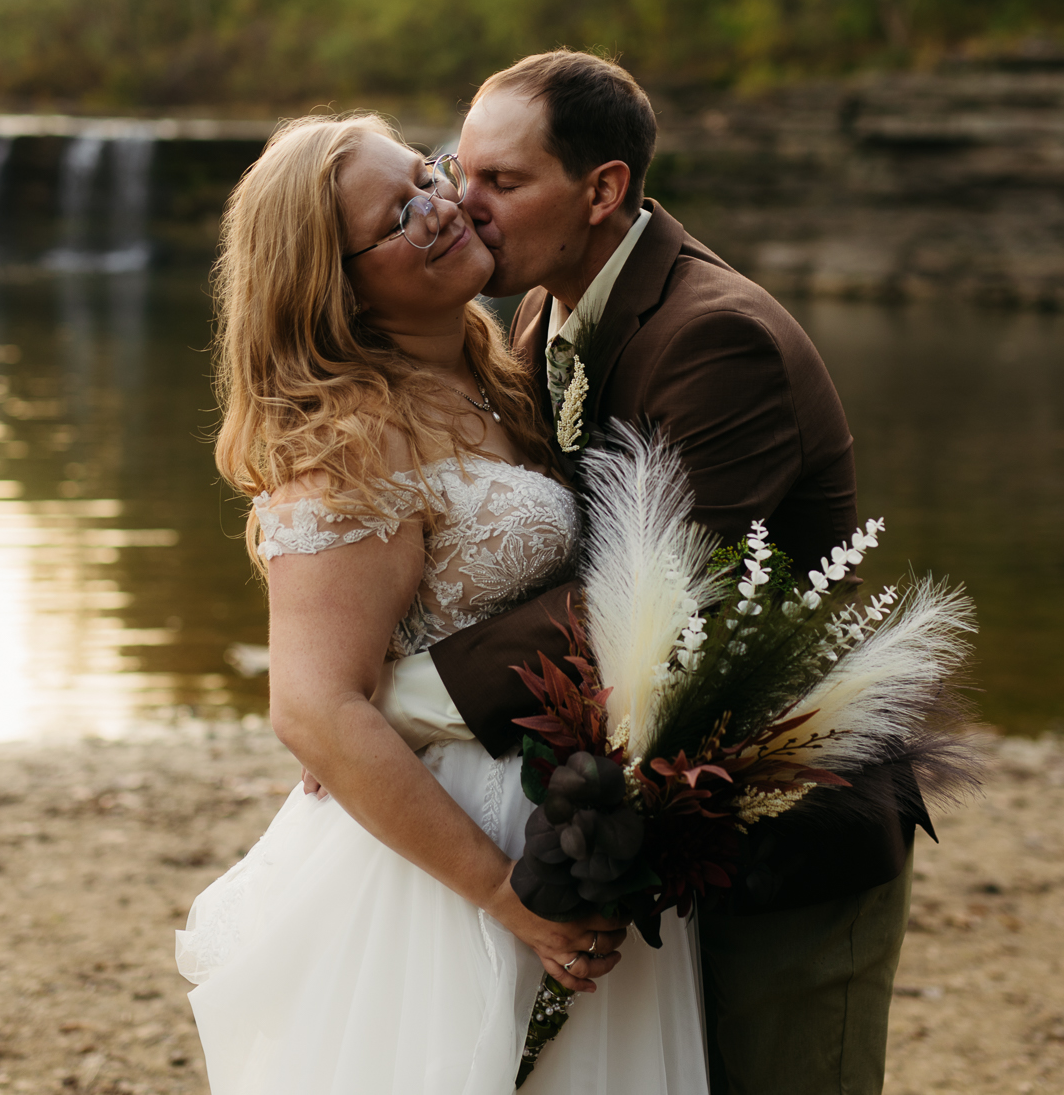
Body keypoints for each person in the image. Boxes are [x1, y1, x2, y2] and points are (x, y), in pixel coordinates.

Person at [371, 50, 930, 1094]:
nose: (465, 203)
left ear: (602, 190)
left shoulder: (716, 341)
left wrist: (398, 700)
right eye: (461, 168)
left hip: (784, 829)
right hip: (641, 813)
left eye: (503, 181)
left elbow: (645, 600)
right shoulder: (544, 311)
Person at [175, 113, 708, 1094]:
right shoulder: (342, 439)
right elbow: (312, 706)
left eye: (426, 175)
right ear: (329, 282)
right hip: (451, 864)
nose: (440, 208)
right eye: (397, 215)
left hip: (565, 815)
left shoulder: (498, 370)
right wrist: (506, 898)